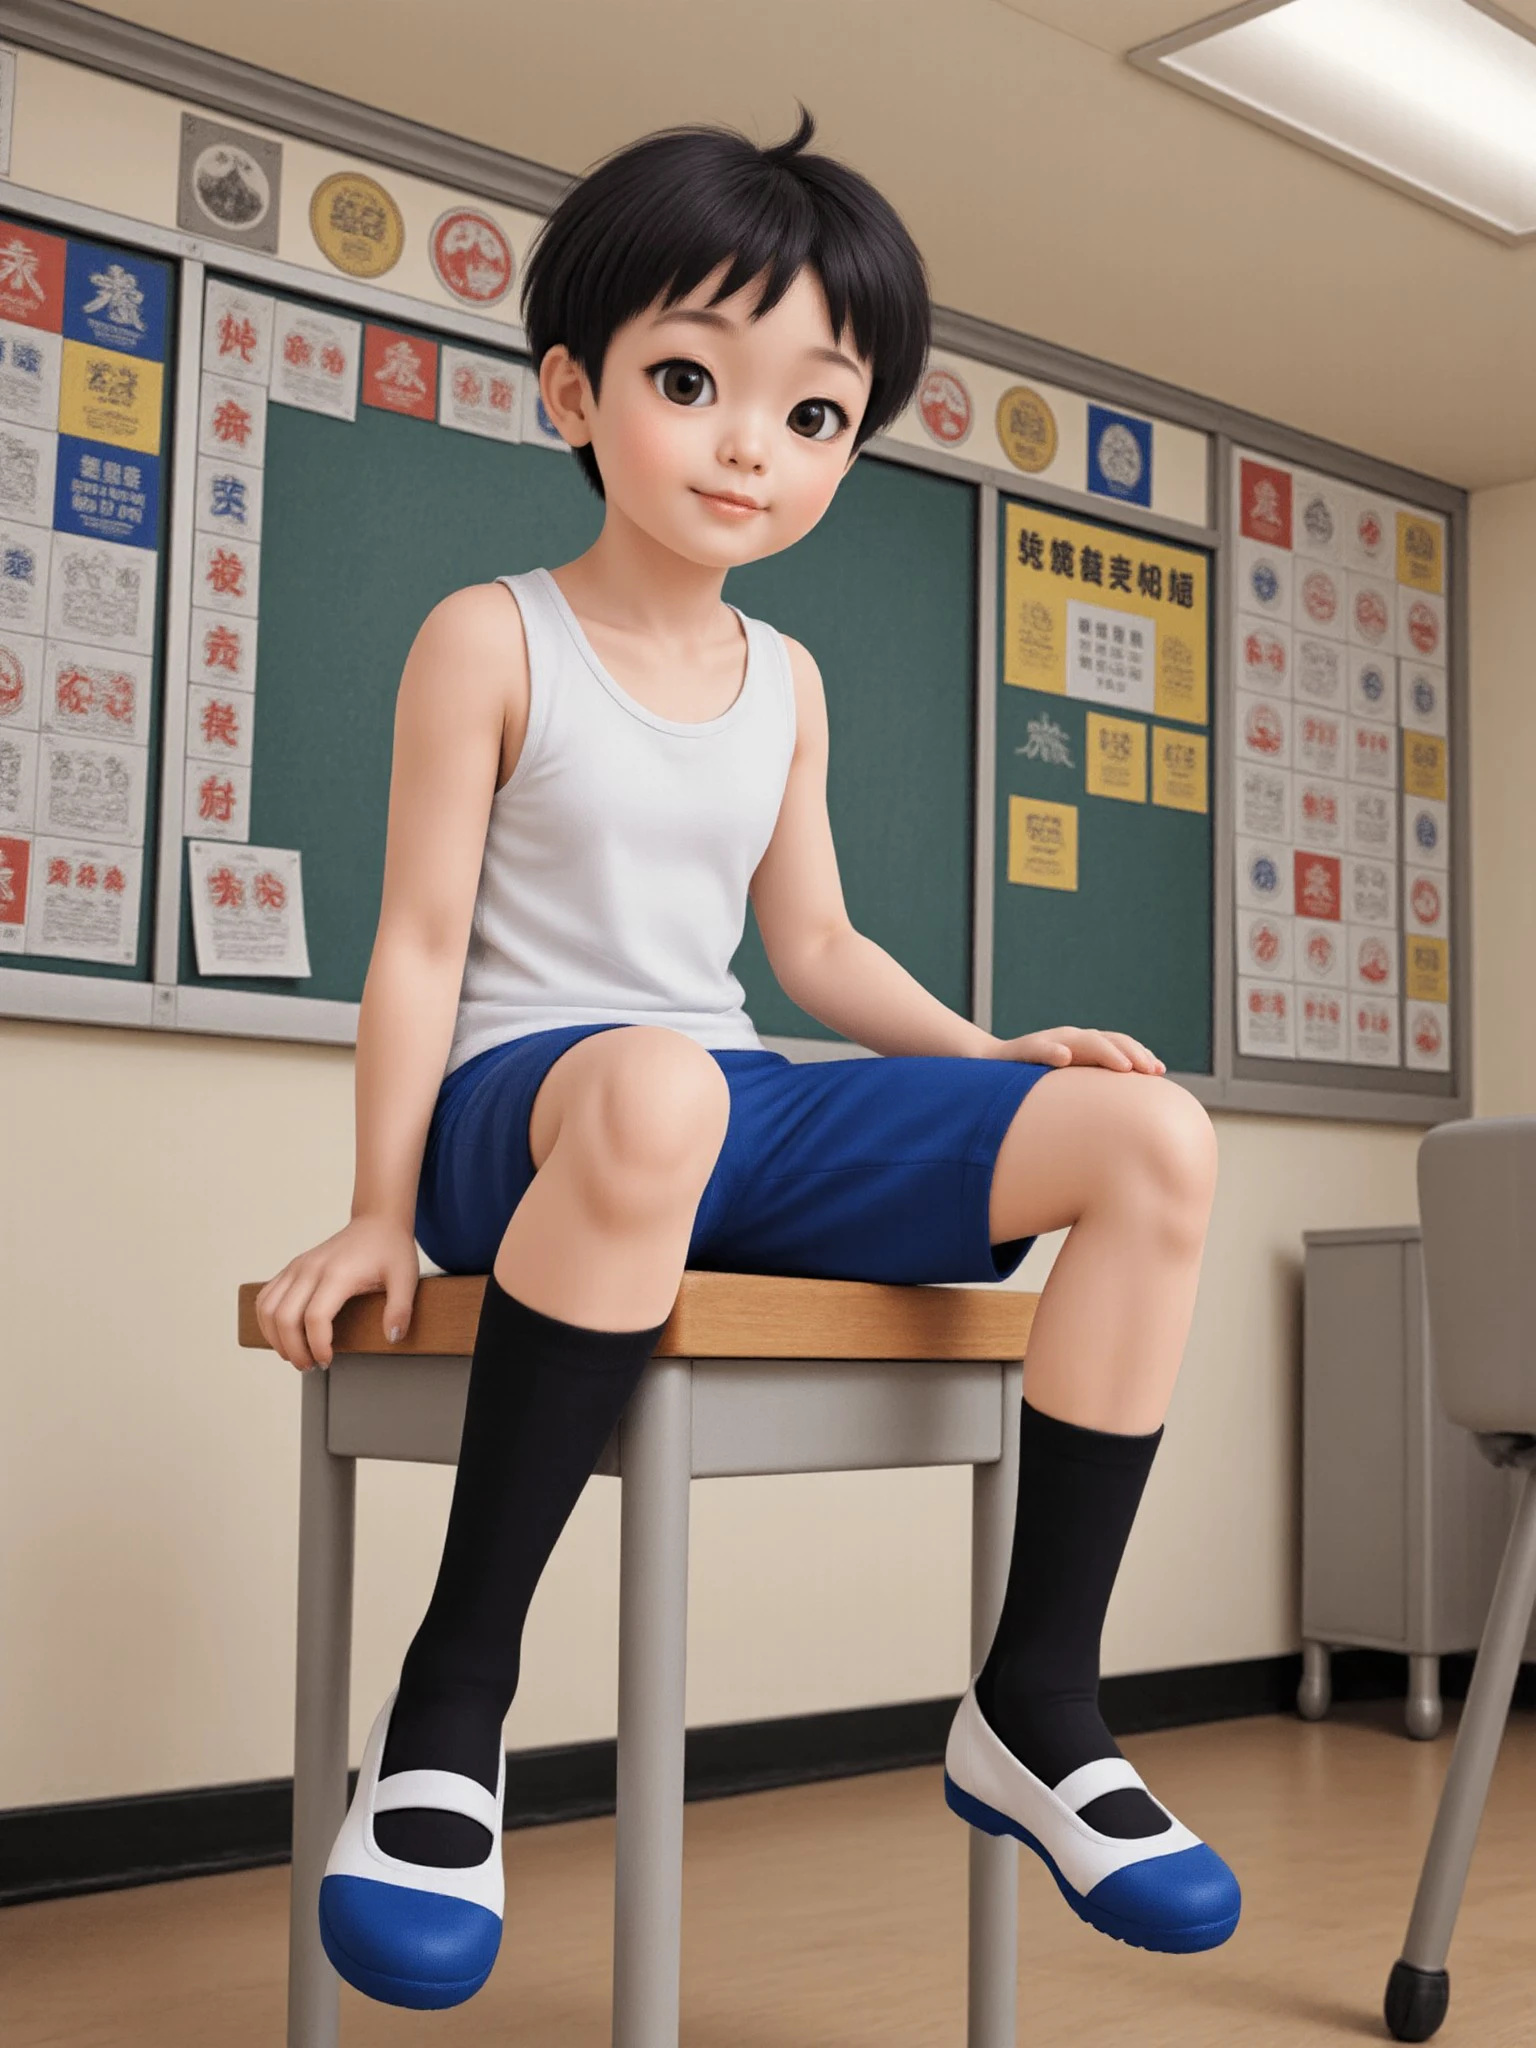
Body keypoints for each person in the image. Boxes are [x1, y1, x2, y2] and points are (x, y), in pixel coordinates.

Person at [254, 108, 1238, 2011]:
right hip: (525, 1117)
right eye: (695, 381)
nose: (749, 447)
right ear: (574, 391)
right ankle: (450, 1708)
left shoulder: (786, 680)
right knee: (656, 1083)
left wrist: (993, 1062)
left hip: (708, 1098)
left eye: (814, 416)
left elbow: (813, 948)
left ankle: (1036, 1706)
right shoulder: (491, 637)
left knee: (1150, 1139)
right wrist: (376, 1211)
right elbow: (421, 944)